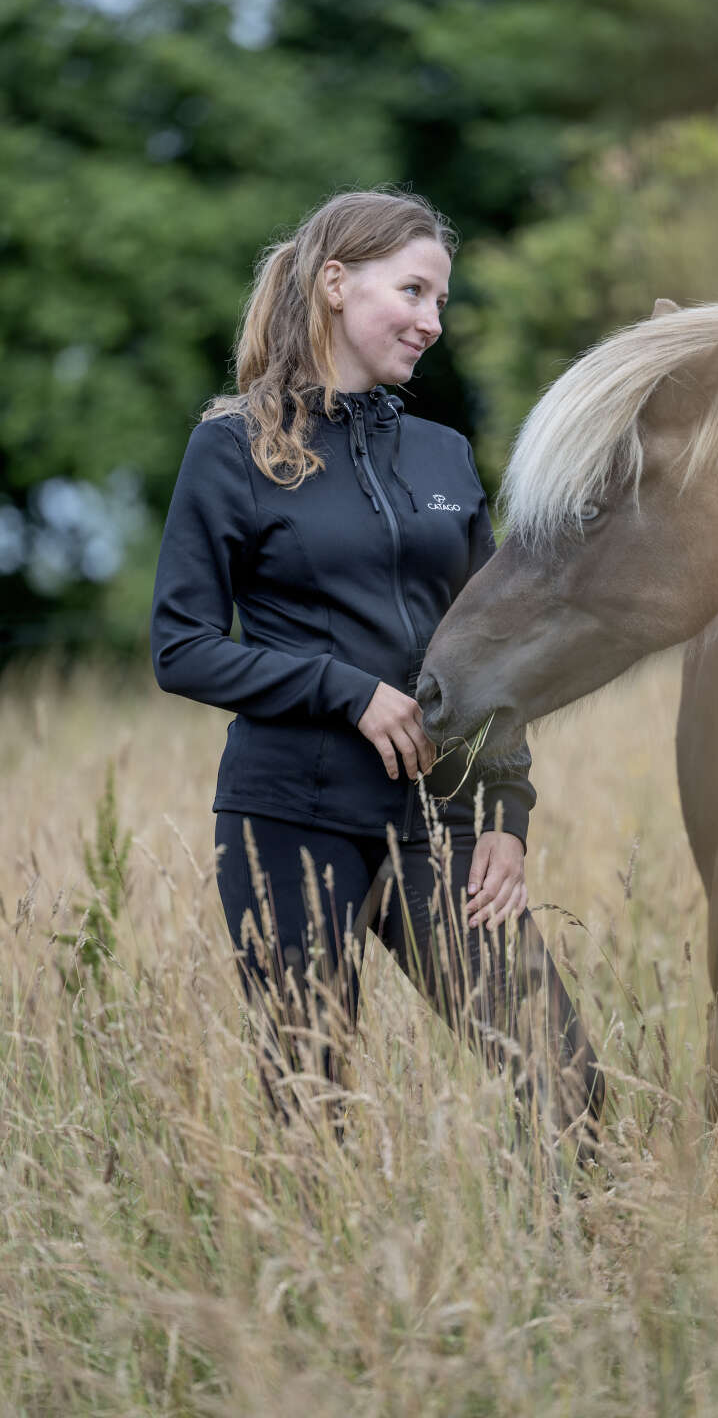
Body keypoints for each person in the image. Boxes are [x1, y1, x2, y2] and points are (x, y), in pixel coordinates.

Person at [151, 188, 602, 1151]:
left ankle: (577, 1288)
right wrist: (343, 689)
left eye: (440, 300)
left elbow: (492, 648)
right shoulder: (230, 450)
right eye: (413, 292)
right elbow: (181, 647)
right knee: (311, 1115)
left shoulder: (442, 454)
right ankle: (317, 1301)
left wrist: (508, 817)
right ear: (333, 285)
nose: (432, 322)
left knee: (566, 1084)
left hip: (440, 829)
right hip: (290, 819)